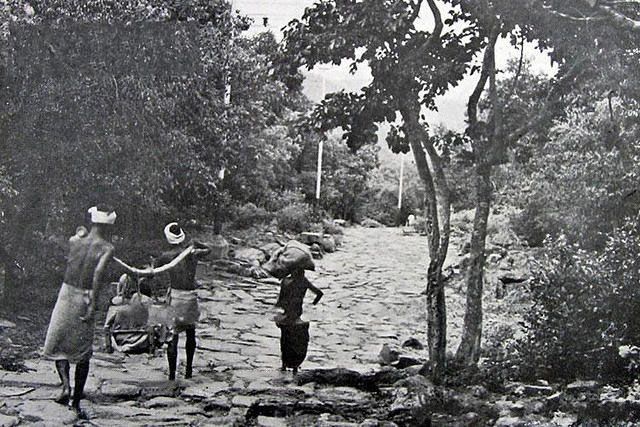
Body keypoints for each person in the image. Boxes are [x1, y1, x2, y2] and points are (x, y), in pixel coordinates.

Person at [43, 205, 117, 416]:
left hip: (66, 293)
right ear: (109, 226)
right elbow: (98, 273)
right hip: (84, 294)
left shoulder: (74, 240)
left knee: (59, 341)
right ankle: (74, 399)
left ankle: (66, 385)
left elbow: (75, 246)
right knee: (83, 352)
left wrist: (80, 232)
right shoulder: (107, 248)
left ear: (92, 220)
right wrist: (93, 302)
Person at [154, 222, 210, 380]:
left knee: (173, 336)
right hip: (190, 296)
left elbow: (153, 269)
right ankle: (189, 370)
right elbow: (209, 249)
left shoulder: (166, 256)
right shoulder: (192, 253)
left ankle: (172, 374)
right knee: (191, 333)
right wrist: (195, 242)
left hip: (176, 298)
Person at [274, 268, 323, 373]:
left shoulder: (285, 282)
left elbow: (279, 302)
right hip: (297, 314)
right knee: (297, 340)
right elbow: (319, 293)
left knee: (285, 340)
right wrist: (312, 304)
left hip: (286, 315)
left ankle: (284, 365)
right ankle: (295, 366)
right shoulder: (303, 281)